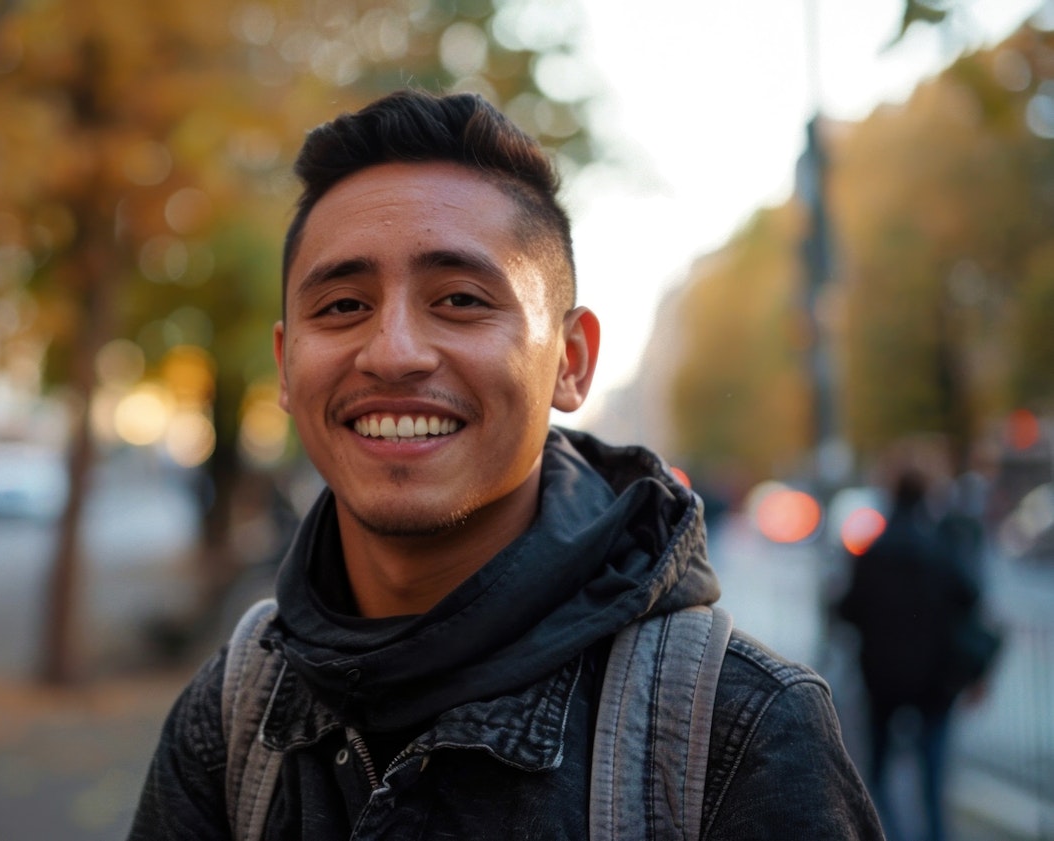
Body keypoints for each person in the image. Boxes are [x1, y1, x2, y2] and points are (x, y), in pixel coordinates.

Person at [129, 89, 882, 840]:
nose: (393, 350)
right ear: (287, 366)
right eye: (341, 306)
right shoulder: (233, 714)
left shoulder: (736, 735)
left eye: (459, 298)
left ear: (571, 361)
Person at [839, 469, 986, 841]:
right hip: (936, 681)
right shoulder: (940, 549)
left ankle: (893, 833)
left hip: (882, 679)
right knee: (932, 779)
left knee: (877, 774)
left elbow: (849, 609)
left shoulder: (873, 552)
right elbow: (969, 598)